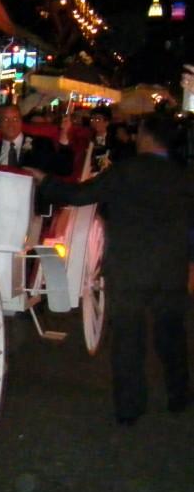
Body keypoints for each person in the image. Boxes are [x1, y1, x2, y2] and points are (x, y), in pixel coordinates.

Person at [28, 113, 193, 425]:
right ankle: (179, 394)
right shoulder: (183, 176)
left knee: (128, 338)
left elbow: (81, 195)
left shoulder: (127, 171)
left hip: (129, 266)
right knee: (171, 333)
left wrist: (45, 181)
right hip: (171, 266)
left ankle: (130, 406)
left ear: (145, 136)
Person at [0, 104, 73, 176]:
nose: (11, 125)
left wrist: (63, 134)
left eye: (15, 119)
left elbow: (64, 169)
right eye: (6, 120)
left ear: (21, 121)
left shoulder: (41, 144)